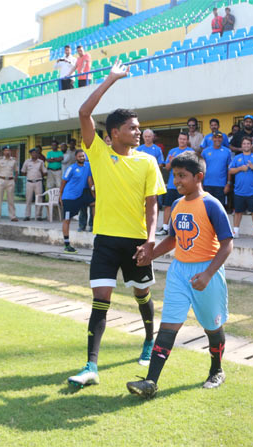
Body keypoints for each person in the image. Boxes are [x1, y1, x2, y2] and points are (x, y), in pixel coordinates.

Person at [68, 60, 166, 387]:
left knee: (142, 295)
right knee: (101, 300)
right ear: (114, 133)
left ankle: (149, 340)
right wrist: (111, 79)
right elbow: (84, 113)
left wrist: (150, 242)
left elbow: (152, 204)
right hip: (106, 241)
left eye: (139, 127)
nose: (139, 132)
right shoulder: (98, 153)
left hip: (138, 242)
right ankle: (90, 367)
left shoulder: (149, 161)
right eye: (133, 128)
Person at [126, 151, 234, 398]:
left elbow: (227, 243)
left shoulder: (211, 204)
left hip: (206, 271)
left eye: (182, 176)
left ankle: (216, 370)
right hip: (179, 271)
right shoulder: (176, 204)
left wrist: (207, 274)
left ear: (199, 177)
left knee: (212, 327)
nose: (176, 181)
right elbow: (174, 239)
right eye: (174, 176)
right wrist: (150, 254)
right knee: (168, 326)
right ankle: (150, 382)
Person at [156, 132, 195, 236]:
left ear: (187, 140)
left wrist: (177, 162)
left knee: (184, 206)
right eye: (180, 139)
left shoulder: (190, 152)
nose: (182, 141)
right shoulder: (172, 151)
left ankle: (182, 229)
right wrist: (172, 162)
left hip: (185, 184)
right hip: (173, 184)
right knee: (168, 205)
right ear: (178, 139)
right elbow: (167, 168)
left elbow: (190, 168)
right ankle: (165, 228)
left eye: (184, 139)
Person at [229, 137, 253, 240]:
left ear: (251, 145)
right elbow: (230, 171)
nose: (246, 145)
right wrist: (240, 168)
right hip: (239, 190)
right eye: (244, 144)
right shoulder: (236, 158)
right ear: (241, 146)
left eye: (248, 144)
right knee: (238, 211)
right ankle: (235, 231)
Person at [60, 150, 95, 253]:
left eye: (83, 156)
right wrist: (60, 195)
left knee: (95, 203)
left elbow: (89, 181)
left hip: (81, 195)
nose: (82, 157)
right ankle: (67, 245)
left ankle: (96, 228)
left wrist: (94, 194)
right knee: (67, 220)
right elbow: (63, 182)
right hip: (69, 197)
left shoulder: (88, 166)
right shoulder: (71, 168)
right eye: (80, 156)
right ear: (76, 157)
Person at [201, 131, 233, 207]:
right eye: (215, 137)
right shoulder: (205, 151)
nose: (217, 139)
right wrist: (200, 184)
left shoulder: (227, 151)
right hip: (207, 184)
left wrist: (228, 184)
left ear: (222, 139)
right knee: (206, 208)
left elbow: (229, 169)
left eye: (219, 137)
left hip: (221, 185)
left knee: (219, 208)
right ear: (212, 138)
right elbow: (200, 168)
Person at [0, 147, 19, 222]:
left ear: (10, 151)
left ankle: (12, 216)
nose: (7, 152)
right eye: (5, 150)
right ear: (3, 152)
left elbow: (16, 171)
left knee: (11, 200)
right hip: (1, 180)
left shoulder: (13, 160)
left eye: (8, 150)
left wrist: (14, 180)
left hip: (10, 180)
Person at [21, 147, 47, 221]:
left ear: (38, 154)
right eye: (32, 153)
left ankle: (38, 216)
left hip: (38, 182)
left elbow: (45, 172)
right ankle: (27, 216)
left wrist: (38, 175)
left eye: (36, 153)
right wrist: (30, 175)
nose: (34, 154)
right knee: (28, 199)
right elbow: (23, 172)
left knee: (39, 199)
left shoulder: (41, 162)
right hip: (29, 182)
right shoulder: (27, 162)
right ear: (30, 154)